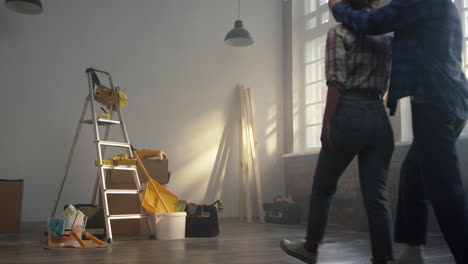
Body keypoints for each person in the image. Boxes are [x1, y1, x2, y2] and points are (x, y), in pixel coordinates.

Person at [325, 0, 468, 263]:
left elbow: (372, 23)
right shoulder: (442, 4)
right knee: (413, 176)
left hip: (434, 102)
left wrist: (337, 8)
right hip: (450, 99)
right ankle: (411, 251)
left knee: (444, 187)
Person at [280, 0, 395, 263]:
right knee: (376, 196)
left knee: (323, 186)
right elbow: (387, 81)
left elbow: (336, 81)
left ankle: (310, 248)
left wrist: (328, 121)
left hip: (349, 111)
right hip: (379, 115)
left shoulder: (339, 33)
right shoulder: (385, 39)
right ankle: (384, 258)